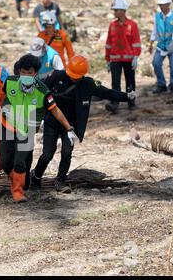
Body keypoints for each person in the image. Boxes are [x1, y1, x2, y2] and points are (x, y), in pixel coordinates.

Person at [30, 55, 136, 192]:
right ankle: (36, 177)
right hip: (52, 121)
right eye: (72, 74)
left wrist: (126, 97)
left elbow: (106, 93)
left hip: (71, 126)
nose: (73, 77)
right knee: (47, 154)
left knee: (67, 153)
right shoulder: (56, 76)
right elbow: (37, 84)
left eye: (77, 76)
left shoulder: (88, 84)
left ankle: (60, 181)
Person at [0, 54, 76, 202]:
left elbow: (55, 110)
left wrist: (69, 128)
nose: (26, 75)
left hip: (27, 130)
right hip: (7, 126)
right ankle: (18, 178)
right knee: (6, 162)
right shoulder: (10, 82)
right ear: (19, 71)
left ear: (36, 73)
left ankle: (18, 191)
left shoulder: (43, 91)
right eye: (23, 72)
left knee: (19, 162)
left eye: (30, 73)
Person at [105, 0, 141, 113]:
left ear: (122, 11)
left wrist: (136, 56)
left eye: (116, 10)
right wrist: (107, 59)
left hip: (129, 59)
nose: (114, 12)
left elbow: (136, 42)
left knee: (130, 83)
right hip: (115, 59)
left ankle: (131, 103)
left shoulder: (132, 25)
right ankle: (115, 104)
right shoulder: (112, 25)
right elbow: (109, 43)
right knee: (115, 83)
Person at [149, 0, 173, 94]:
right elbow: (155, 30)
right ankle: (161, 84)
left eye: (163, 5)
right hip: (161, 45)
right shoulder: (157, 16)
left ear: (168, 4)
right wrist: (151, 43)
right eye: (160, 5)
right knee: (156, 63)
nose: (161, 7)